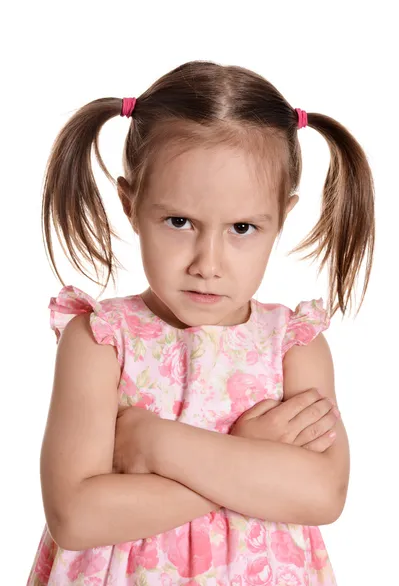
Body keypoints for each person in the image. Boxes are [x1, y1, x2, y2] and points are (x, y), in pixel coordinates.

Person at [27, 60, 374, 586]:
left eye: (242, 227)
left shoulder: (293, 347)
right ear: (130, 204)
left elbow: (322, 495)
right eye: (179, 222)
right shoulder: (100, 341)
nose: (207, 263)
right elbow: (76, 517)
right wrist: (251, 459)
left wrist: (157, 445)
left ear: (280, 217)